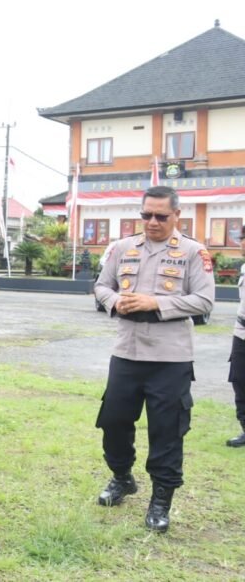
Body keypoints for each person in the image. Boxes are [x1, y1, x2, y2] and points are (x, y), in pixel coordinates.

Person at [93, 186, 215, 533]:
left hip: (170, 359)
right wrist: (115, 301)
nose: (153, 222)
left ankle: (161, 499)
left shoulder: (193, 252)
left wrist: (156, 304)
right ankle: (121, 477)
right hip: (127, 353)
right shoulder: (122, 248)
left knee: (167, 431)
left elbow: (205, 301)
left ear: (177, 215)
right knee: (113, 421)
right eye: (146, 215)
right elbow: (101, 285)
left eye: (161, 216)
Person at [226, 224, 245, 448]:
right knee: (239, 380)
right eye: (242, 238)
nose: (242, 243)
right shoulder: (243, 268)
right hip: (241, 333)